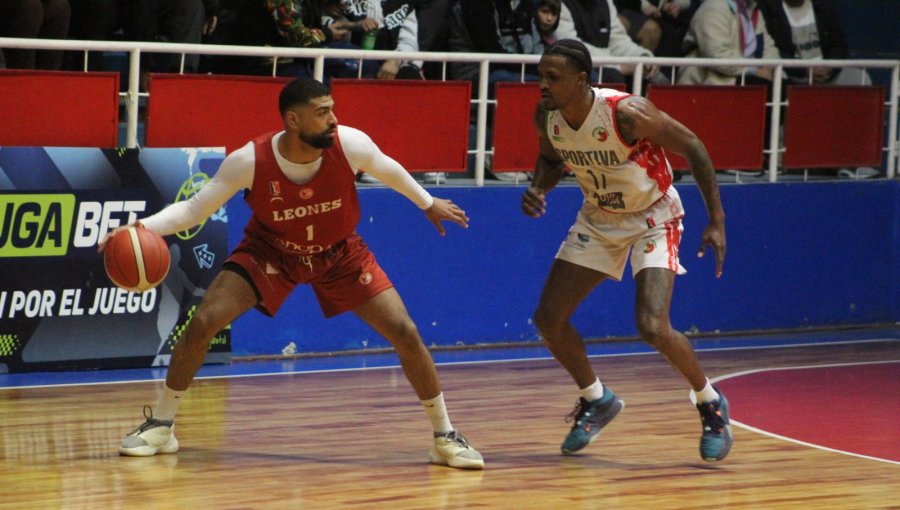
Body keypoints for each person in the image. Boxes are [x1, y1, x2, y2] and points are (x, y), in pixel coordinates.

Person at [102, 77, 484, 470]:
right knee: (203, 322)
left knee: (405, 331)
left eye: (332, 109)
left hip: (339, 253)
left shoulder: (349, 144)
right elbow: (193, 210)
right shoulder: (249, 161)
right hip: (272, 251)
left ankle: (444, 437)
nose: (334, 119)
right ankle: (161, 426)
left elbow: (388, 169)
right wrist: (140, 228)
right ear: (294, 120)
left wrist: (427, 202)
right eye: (323, 112)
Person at [522, 39, 732, 461]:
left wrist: (716, 221)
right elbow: (551, 161)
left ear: (581, 80)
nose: (541, 84)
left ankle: (710, 403)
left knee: (652, 326)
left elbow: (694, 146)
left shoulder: (627, 113)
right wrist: (538, 188)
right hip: (599, 219)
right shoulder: (548, 116)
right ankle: (597, 398)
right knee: (548, 318)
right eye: (540, 75)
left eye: (552, 77)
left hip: (653, 216)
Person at [757, 0, 871, 86]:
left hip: (826, 71)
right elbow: (775, 50)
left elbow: (839, 45)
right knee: (778, 77)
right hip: (794, 73)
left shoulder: (823, 5)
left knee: (861, 78)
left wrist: (830, 68)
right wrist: (804, 71)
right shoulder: (770, 9)